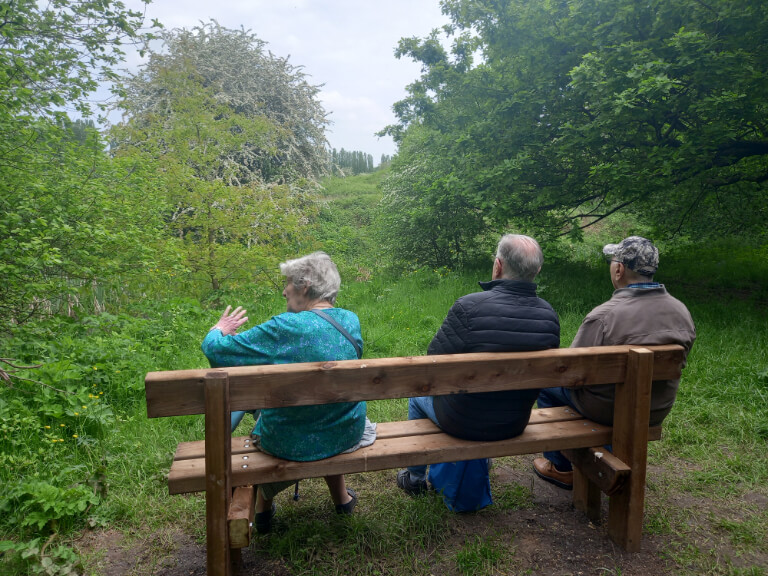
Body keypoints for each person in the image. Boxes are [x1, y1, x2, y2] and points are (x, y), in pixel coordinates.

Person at [201, 251, 372, 533]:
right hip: (344, 431)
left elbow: (215, 349)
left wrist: (219, 328)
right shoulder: (350, 320)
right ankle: (342, 500)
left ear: (304, 287)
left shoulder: (283, 327)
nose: (284, 291)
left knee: (280, 419)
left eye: (288, 284)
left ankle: (263, 510)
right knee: (321, 409)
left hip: (288, 442)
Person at [396, 234, 560, 496]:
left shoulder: (469, 306)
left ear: (498, 266)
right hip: (515, 421)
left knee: (418, 395)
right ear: (537, 270)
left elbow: (432, 363)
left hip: (462, 421)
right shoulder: (549, 315)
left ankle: (415, 479)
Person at [533, 236, 696, 489]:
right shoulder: (681, 312)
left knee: (546, 388)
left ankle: (563, 469)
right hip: (655, 408)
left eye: (613, 261)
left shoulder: (604, 317)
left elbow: (571, 373)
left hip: (604, 409)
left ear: (619, 269)